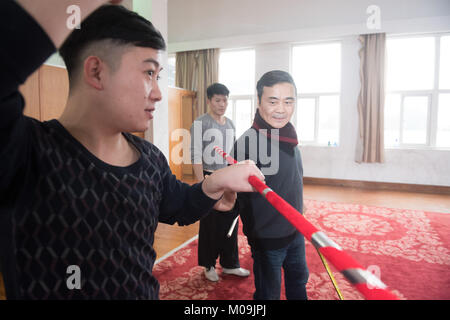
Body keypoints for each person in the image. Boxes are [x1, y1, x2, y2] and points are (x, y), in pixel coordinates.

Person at [0, 1, 265, 299]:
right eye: (148, 73)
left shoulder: (149, 158)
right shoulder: (27, 152)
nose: (157, 93)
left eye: (158, 75)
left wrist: (216, 181)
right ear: (97, 72)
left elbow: (177, 205)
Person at [232, 70, 309, 300]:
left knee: (299, 280)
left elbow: (294, 178)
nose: (281, 109)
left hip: (295, 229)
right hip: (269, 239)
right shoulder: (248, 143)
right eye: (273, 101)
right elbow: (237, 197)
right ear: (258, 101)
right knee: (268, 294)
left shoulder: (288, 135)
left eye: (288, 101)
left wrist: (300, 209)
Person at [190, 83, 250, 282]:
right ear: (208, 101)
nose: (222, 104)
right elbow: (196, 155)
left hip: (229, 176)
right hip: (209, 177)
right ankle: (208, 264)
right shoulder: (201, 123)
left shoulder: (230, 124)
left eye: (225, 100)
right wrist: (202, 186)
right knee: (211, 223)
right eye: (218, 100)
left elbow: (231, 154)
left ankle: (230, 264)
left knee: (231, 220)